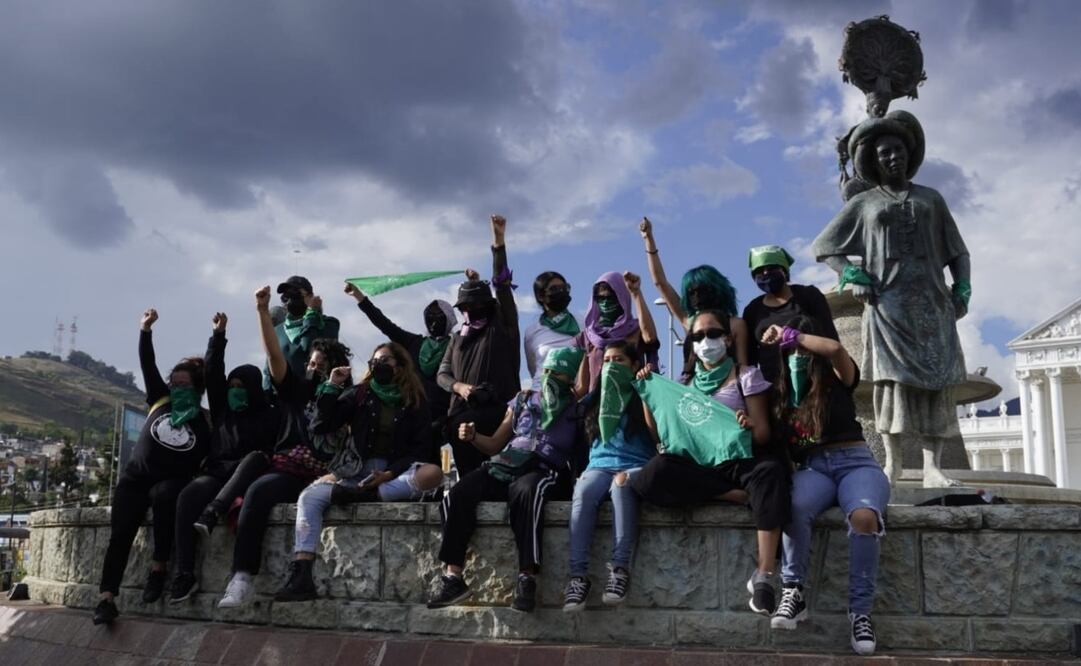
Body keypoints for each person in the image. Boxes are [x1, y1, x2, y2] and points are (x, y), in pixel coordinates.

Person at [812, 110, 971, 487]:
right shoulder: (865, 204)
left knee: (936, 384)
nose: (893, 157)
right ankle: (893, 463)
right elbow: (824, 247)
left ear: (909, 154)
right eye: (884, 153)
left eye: (899, 150)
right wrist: (851, 273)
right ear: (874, 160)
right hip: (886, 305)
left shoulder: (931, 200)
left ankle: (933, 468)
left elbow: (957, 251)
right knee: (890, 384)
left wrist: (962, 287)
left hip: (932, 304)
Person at [631, 310, 788, 615]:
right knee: (653, 473)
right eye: (698, 336)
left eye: (713, 333)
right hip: (699, 467)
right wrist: (647, 392)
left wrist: (747, 424)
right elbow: (658, 432)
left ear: (728, 339)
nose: (706, 341)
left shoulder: (746, 376)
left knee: (771, 472)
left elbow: (764, 434)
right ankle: (730, 496)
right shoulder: (683, 383)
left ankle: (765, 574)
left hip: (736, 461)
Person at [217, 286, 354, 609]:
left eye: (319, 364)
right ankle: (242, 577)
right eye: (310, 362)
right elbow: (274, 356)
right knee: (258, 491)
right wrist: (263, 312)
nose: (311, 367)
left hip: (332, 475)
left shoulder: (351, 399)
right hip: (292, 470)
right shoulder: (297, 390)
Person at [275, 342, 444, 601]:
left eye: (385, 360)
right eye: (374, 361)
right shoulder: (359, 393)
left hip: (394, 474)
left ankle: (373, 495)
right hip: (356, 471)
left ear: (399, 366)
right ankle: (302, 571)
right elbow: (320, 425)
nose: (379, 365)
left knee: (433, 473)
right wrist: (332, 387)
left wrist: (388, 473)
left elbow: (421, 449)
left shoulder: (415, 400)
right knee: (309, 497)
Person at [763, 318, 889, 656]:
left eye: (801, 348)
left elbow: (835, 350)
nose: (796, 355)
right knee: (792, 505)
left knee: (864, 516)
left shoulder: (837, 380)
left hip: (856, 462)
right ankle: (794, 591)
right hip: (814, 467)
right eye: (790, 351)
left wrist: (792, 335)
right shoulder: (786, 393)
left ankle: (860, 613)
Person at [428, 347, 585, 613]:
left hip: (544, 466)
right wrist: (474, 437)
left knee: (527, 492)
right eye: (545, 370)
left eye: (556, 372)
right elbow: (494, 445)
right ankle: (453, 576)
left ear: (569, 377)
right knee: (458, 493)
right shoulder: (523, 400)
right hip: (507, 461)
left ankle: (527, 577)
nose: (548, 377)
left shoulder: (576, 410)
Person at [93, 309, 212, 625]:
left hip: (171, 481)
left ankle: (159, 568)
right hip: (136, 478)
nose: (177, 387)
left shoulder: (204, 422)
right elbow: (148, 363)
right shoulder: (160, 399)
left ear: (197, 387)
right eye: (174, 382)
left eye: (184, 384)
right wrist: (145, 331)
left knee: (164, 498)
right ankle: (106, 598)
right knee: (120, 533)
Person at [169, 312, 279, 604]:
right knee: (188, 496)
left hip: (247, 476)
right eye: (232, 387)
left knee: (256, 457)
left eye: (241, 388)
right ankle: (184, 573)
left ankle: (214, 511)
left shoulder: (268, 415)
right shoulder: (222, 411)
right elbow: (214, 371)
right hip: (217, 473)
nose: (234, 392)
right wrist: (218, 336)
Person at [563, 340, 656, 611]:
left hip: (636, 465)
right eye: (607, 361)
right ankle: (578, 577)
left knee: (621, 485)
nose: (612, 366)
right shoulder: (596, 398)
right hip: (599, 466)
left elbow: (657, 437)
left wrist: (646, 389)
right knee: (582, 490)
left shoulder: (644, 391)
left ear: (634, 365)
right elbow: (572, 398)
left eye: (620, 361)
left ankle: (620, 569)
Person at [437, 215, 521, 477]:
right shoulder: (457, 338)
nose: (470, 312)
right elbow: (442, 374)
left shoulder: (503, 325)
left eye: (476, 306)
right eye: (465, 308)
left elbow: (502, 285)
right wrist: (460, 387)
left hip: (500, 413)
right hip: (463, 416)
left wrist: (498, 244)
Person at [345, 282, 456, 453]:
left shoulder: (457, 346)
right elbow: (384, 324)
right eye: (430, 316)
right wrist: (360, 298)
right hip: (411, 413)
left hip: (443, 417)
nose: (434, 322)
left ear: (449, 319)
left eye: (439, 316)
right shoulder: (414, 342)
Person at [638, 217, 748, 368]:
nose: (697, 296)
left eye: (702, 290)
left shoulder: (735, 325)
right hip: (691, 387)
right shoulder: (690, 321)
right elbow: (660, 282)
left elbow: (743, 366)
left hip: (727, 388)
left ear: (717, 290)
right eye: (691, 292)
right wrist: (648, 238)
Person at [741, 245, 838, 384]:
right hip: (773, 388)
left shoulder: (808, 296)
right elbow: (750, 358)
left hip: (814, 382)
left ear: (785, 271)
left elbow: (830, 338)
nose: (766, 273)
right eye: (759, 271)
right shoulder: (752, 310)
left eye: (772, 268)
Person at [574, 271, 658, 396]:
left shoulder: (635, 330)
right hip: (597, 409)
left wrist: (636, 293)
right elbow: (582, 386)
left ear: (622, 297)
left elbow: (650, 338)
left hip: (631, 405)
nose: (606, 303)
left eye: (610, 298)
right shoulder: (587, 337)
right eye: (600, 298)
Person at [268, 275, 341, 391]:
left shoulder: (328, 324)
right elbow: (270, 364)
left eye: (296, 295)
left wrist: (311, 315)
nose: (290, 300)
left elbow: (308, 347)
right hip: (286, 399)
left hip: (316, 396)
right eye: (285, 297)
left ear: (311, 297)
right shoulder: (278, 331)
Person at [523, 271, 580, 390]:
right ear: (540, 296)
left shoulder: (582, 322)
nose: (561, 292)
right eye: (554, 289)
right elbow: (533, 368)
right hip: (542, 395)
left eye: (564, 288)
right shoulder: (531, 332)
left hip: (575, 395)